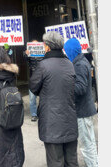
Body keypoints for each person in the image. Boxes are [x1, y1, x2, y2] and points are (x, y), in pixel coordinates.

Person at [29, 32, 78, 167]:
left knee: (55, 162)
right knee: (72, 161)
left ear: (48, 47)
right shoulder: (69, 64)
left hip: (51, 123)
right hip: (70, 121)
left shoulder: (43, 65)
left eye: (45, 45)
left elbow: (33, 87)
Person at [64, 38, 98, 167]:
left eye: (67, 51)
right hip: (85, 110)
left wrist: (67, 85)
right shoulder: (81, 61)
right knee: (89, 143)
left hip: (83, 111)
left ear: (71, 51)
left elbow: (80, 88)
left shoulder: (79, 65)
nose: (66, 54)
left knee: (86, 145)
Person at [24, 39, 43, 122]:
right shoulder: (29, 55)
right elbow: (25, 59)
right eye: (33, 45)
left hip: (42, 78)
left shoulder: (43, 55)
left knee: (43, 97)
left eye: (36, 45)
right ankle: (34, 114)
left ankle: (41, 113)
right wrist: (26, 54)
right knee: (32, 98)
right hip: (33, 78)